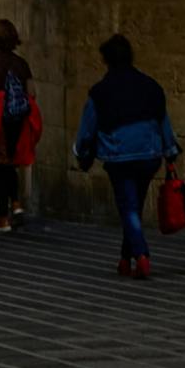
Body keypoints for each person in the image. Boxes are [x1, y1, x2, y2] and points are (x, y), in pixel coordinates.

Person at [72, 33, 176, 277]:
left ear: (106, 60)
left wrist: (81, 152)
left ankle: (141, 255)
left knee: (128, 206)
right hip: (150, 154)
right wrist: (170, 151)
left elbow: (87, 128)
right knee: (134, 205)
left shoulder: (101, 91)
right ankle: (124, 258)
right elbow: (163, 121)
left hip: (120, 155)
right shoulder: (151, 86)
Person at [0, 20, 41, 233]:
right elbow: (31, 93)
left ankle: (3, 216)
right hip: (18, 120)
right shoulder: (22, 64)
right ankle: (16, 204)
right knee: (10, 164)